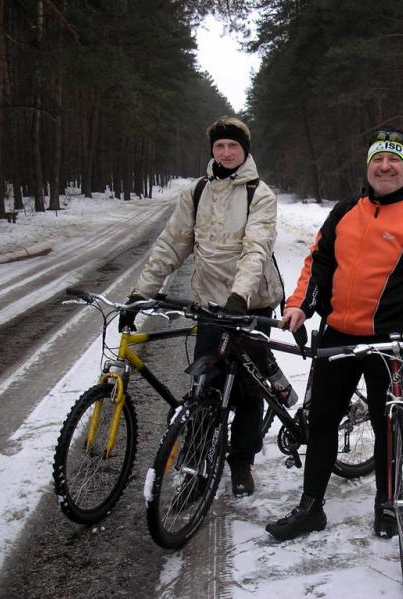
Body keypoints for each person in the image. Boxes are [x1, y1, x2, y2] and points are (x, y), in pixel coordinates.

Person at [265, 126, 403, 541]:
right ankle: (310, 508)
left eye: (395, 159)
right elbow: (317, 262)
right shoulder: (345, 210)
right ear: (368, 166)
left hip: (389, 341)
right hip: (338, 333)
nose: (385, 166)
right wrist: (300, 305)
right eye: (378, 159)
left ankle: (387, 503)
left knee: (387, 425)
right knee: (322, 422)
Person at [120, 116, 284, 497]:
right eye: (219, 146)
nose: (226, 153)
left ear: (245, 150)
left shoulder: (260, 194)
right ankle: (194, 466)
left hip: (250, 305)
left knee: (246, 389)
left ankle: (241, 462)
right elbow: (172, 244)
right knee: (204, 386)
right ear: (212, 151)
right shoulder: (196, 193)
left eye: (233, 146)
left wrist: (239, 296)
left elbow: (256, 248)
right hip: (211, 306)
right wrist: (141, 292)